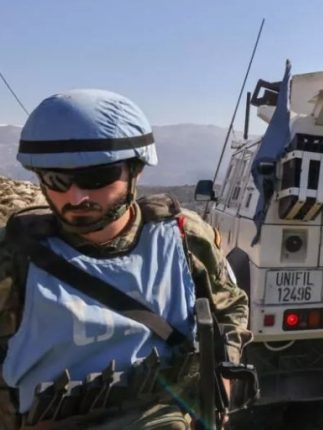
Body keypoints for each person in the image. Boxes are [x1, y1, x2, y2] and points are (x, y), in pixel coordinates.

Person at [0, 89, 250, 429]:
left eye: (96, 178)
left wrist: (225, 374)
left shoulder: (185, 237)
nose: (77, 196)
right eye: (56, 179)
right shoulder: (14, 258)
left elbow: (229, 307)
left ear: (136, 170)